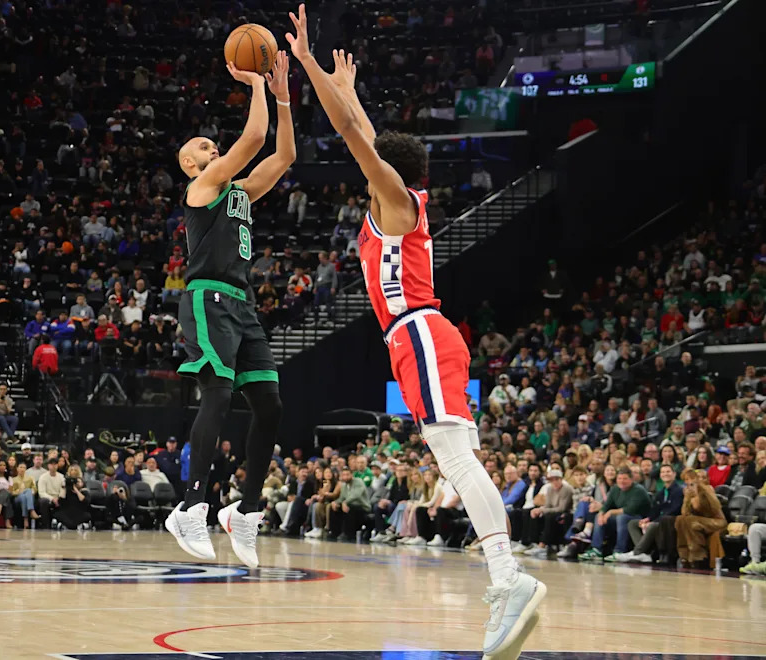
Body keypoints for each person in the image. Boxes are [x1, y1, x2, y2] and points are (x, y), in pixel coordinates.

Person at [288, 12, 543, 657]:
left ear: (387, 178)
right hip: (417, 339)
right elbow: (365, 135)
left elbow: (355, 139)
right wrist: (347, 89)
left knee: (456, 460)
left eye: (373, 172)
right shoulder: (395, 207)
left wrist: (313, 69)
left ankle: (508, 579)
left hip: (421, 333)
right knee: (455, 459)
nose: (363, 178)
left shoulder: (398, 204)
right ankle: (505, 579)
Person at [165, 51, 295, 570]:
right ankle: (192, 504)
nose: (211, 146)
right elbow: (254, 140)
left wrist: (282, 93)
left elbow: (282, 154)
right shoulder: (201, 188)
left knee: (270, 407)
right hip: (207, 296)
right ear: (192, 165)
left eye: (212, 144)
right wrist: (255, 85)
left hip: (242, 305)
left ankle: (246, 507)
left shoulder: (239, 193)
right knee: (217, 393)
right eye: (203, 147)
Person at [675, 469, 726, 568]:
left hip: (717, 521)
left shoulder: (708, 489)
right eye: (686, 479)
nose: (689, 481)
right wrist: (686, 499)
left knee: (690, 521)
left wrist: (696, 496)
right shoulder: (688, 492)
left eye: (691, 478)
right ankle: (684, 555)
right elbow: (684, 513)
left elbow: (708, 509)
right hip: (699, 522)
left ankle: (698, 556)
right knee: (680, 519)